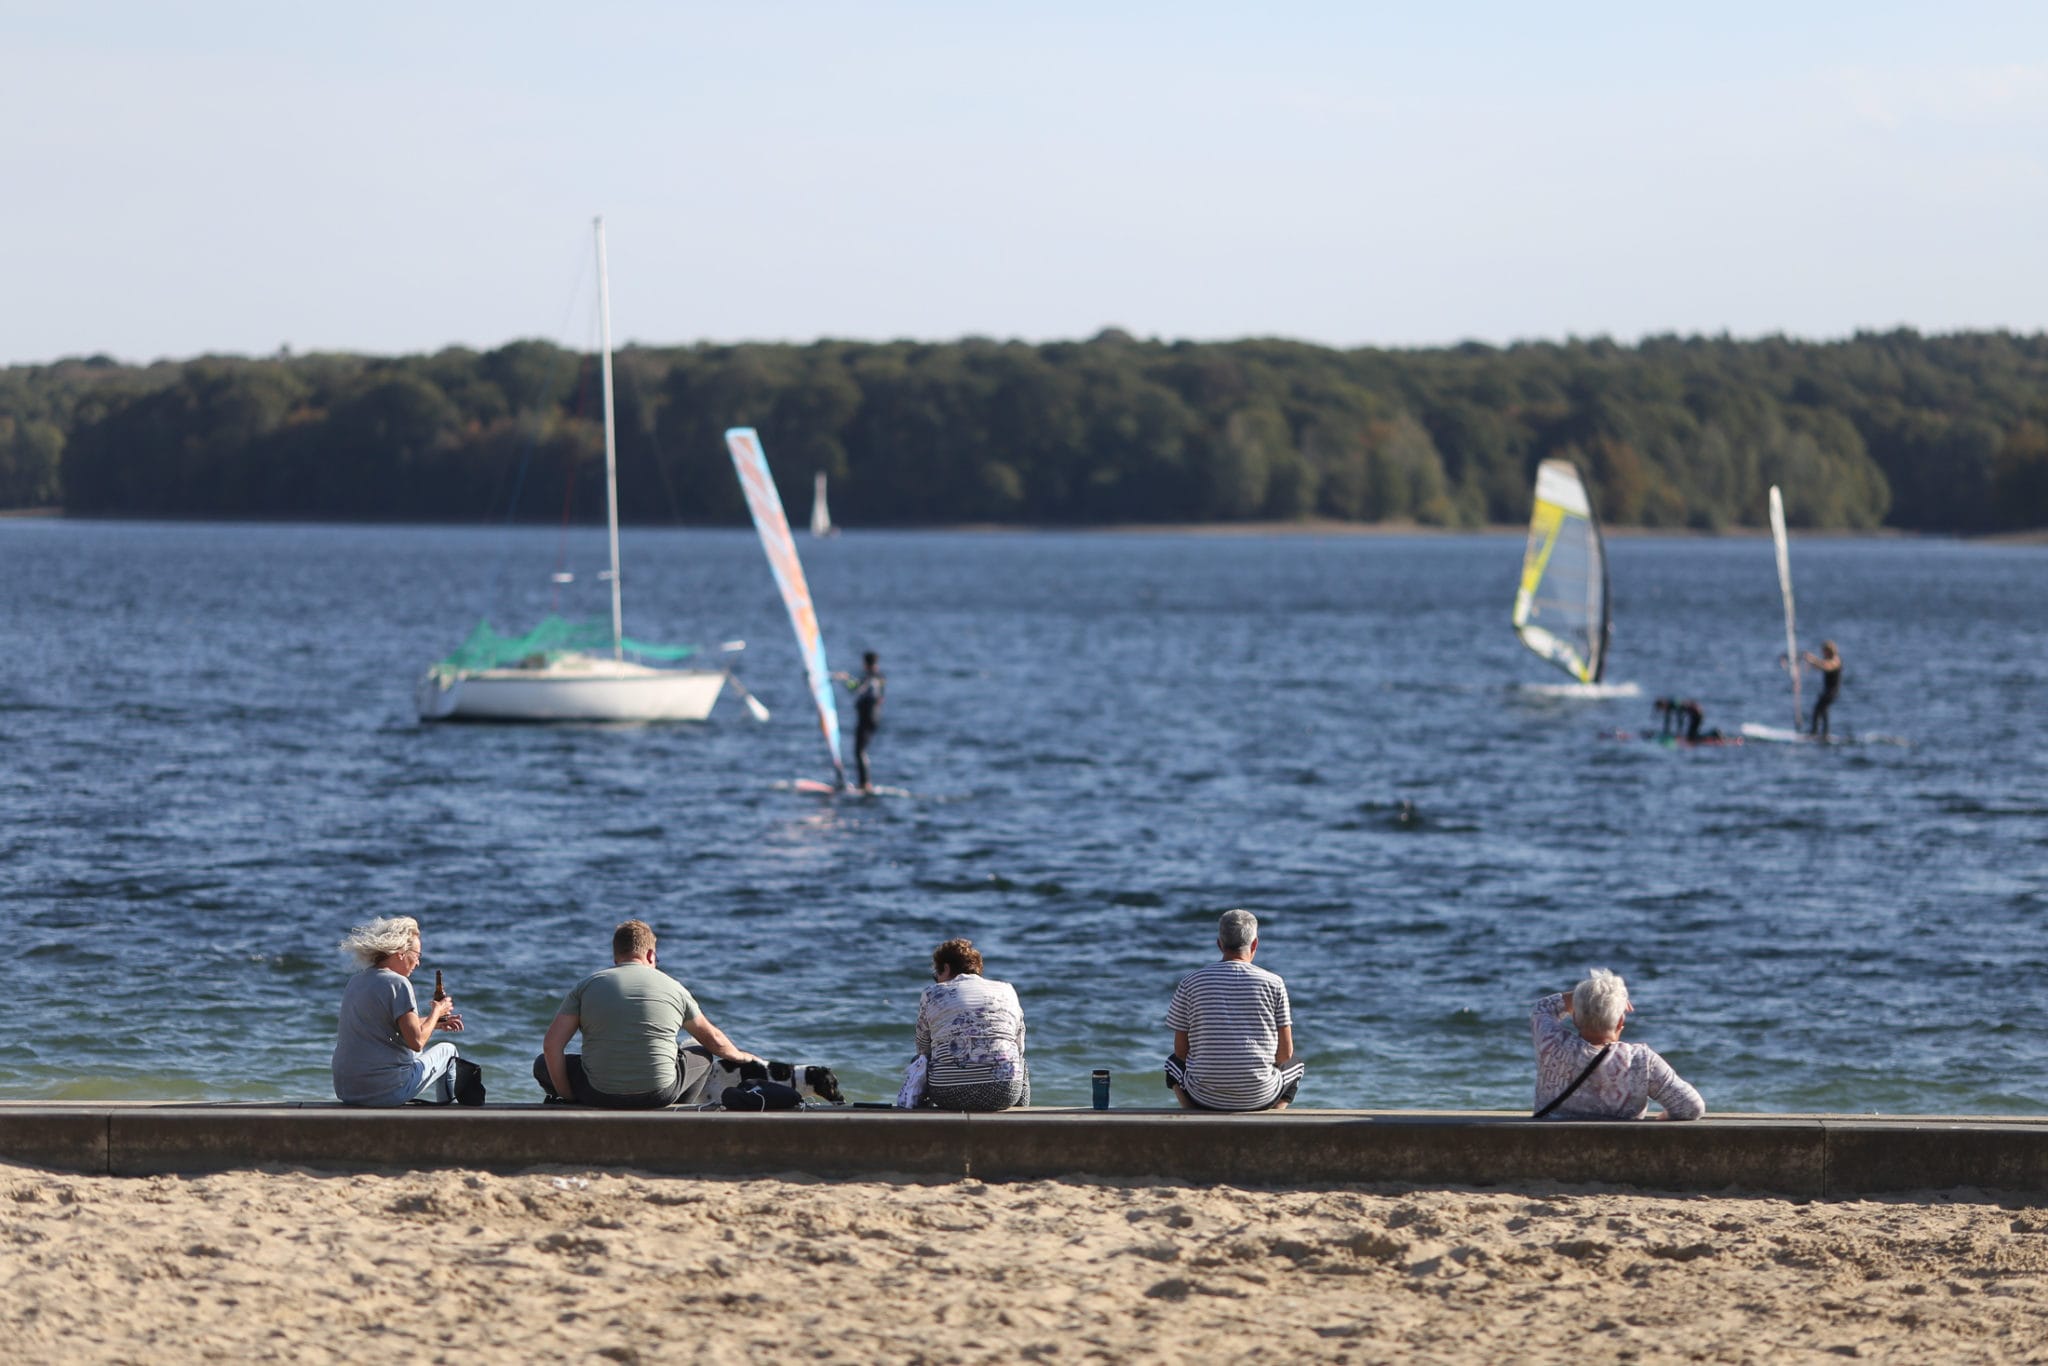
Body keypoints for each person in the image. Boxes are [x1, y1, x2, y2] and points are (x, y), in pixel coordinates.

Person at [534, 919, 762, 1108]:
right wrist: (742, 1057)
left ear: (616, 957)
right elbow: (714, 1040)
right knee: (702, 1053)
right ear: (651, 955)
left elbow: (551, 1046)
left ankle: (569, 1101)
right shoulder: (674, 987)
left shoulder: (586, 986)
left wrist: (568, 1095)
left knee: (542, 1064)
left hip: (597, 1094)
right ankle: (678, 1111)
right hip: (659, 1094)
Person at [1164, 909, 1303, 1111]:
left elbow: (1180, 1051)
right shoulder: (1274, 983)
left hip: (1204, 1097)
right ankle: (1274, 1116)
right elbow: (1285, 1054)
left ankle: (1192, 1115)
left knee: (1171, 1064)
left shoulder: (1190, 982)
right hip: (1260, 1097)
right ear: (1254, 944)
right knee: (1296, 1065)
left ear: (1219, 944)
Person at [1531, 968, 1703, 1120]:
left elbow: (1543, 1007)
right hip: (1620, 1147)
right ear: (1621, 1021)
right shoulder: (1641, 1060)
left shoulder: (1552, 1043)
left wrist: (1586, 998)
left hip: (1551, 1146)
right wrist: (1665, 1117)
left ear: (1575, 1018)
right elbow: (1691, 1108)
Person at [332, 915, 466, 1106]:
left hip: (348, 1090)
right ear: (401, 952)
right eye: (417, 955)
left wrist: (434, 1023)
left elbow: (388, 1026)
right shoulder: (398, 983)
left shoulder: (357, 980)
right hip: (384, 1092)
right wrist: (437, 1010)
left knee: (411, 1056)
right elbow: (416, 1042)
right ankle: (449, 1115)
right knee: (448, 1051)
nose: (418, 963)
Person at [913, 938, 1028, 1111]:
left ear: (946, 968)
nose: (937, 980)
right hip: (1004, 1093)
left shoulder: (932, 993)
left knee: (919, 1062)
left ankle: (922, 1120)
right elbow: (1019, 1047)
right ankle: (1021, 1118)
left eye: (936, 974)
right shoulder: (1007, 989)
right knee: (1020, 1063)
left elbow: (923, 1048)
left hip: (948, 1093)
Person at [832, 651, 884, 792]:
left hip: (866, 718)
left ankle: (865, 783)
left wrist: (844, 679)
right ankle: (864, 782)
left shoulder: (871, 678)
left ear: (865, 663)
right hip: (874, 717)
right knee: (861, 750)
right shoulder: (880, 677)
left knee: (859, 751)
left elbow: (856, 688)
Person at [1802, 640, 1843, 738]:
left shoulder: (1836, 660)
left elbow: (1826, 666)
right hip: (1827, 690)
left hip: (1832, 691)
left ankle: (1815, 732)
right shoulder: (1827, 659)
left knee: (1818, 709)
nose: (1822, 653)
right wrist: (1810, 660)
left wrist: (1813, 659)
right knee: (1823, 710)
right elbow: (1819, 666)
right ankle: (1824, 733)